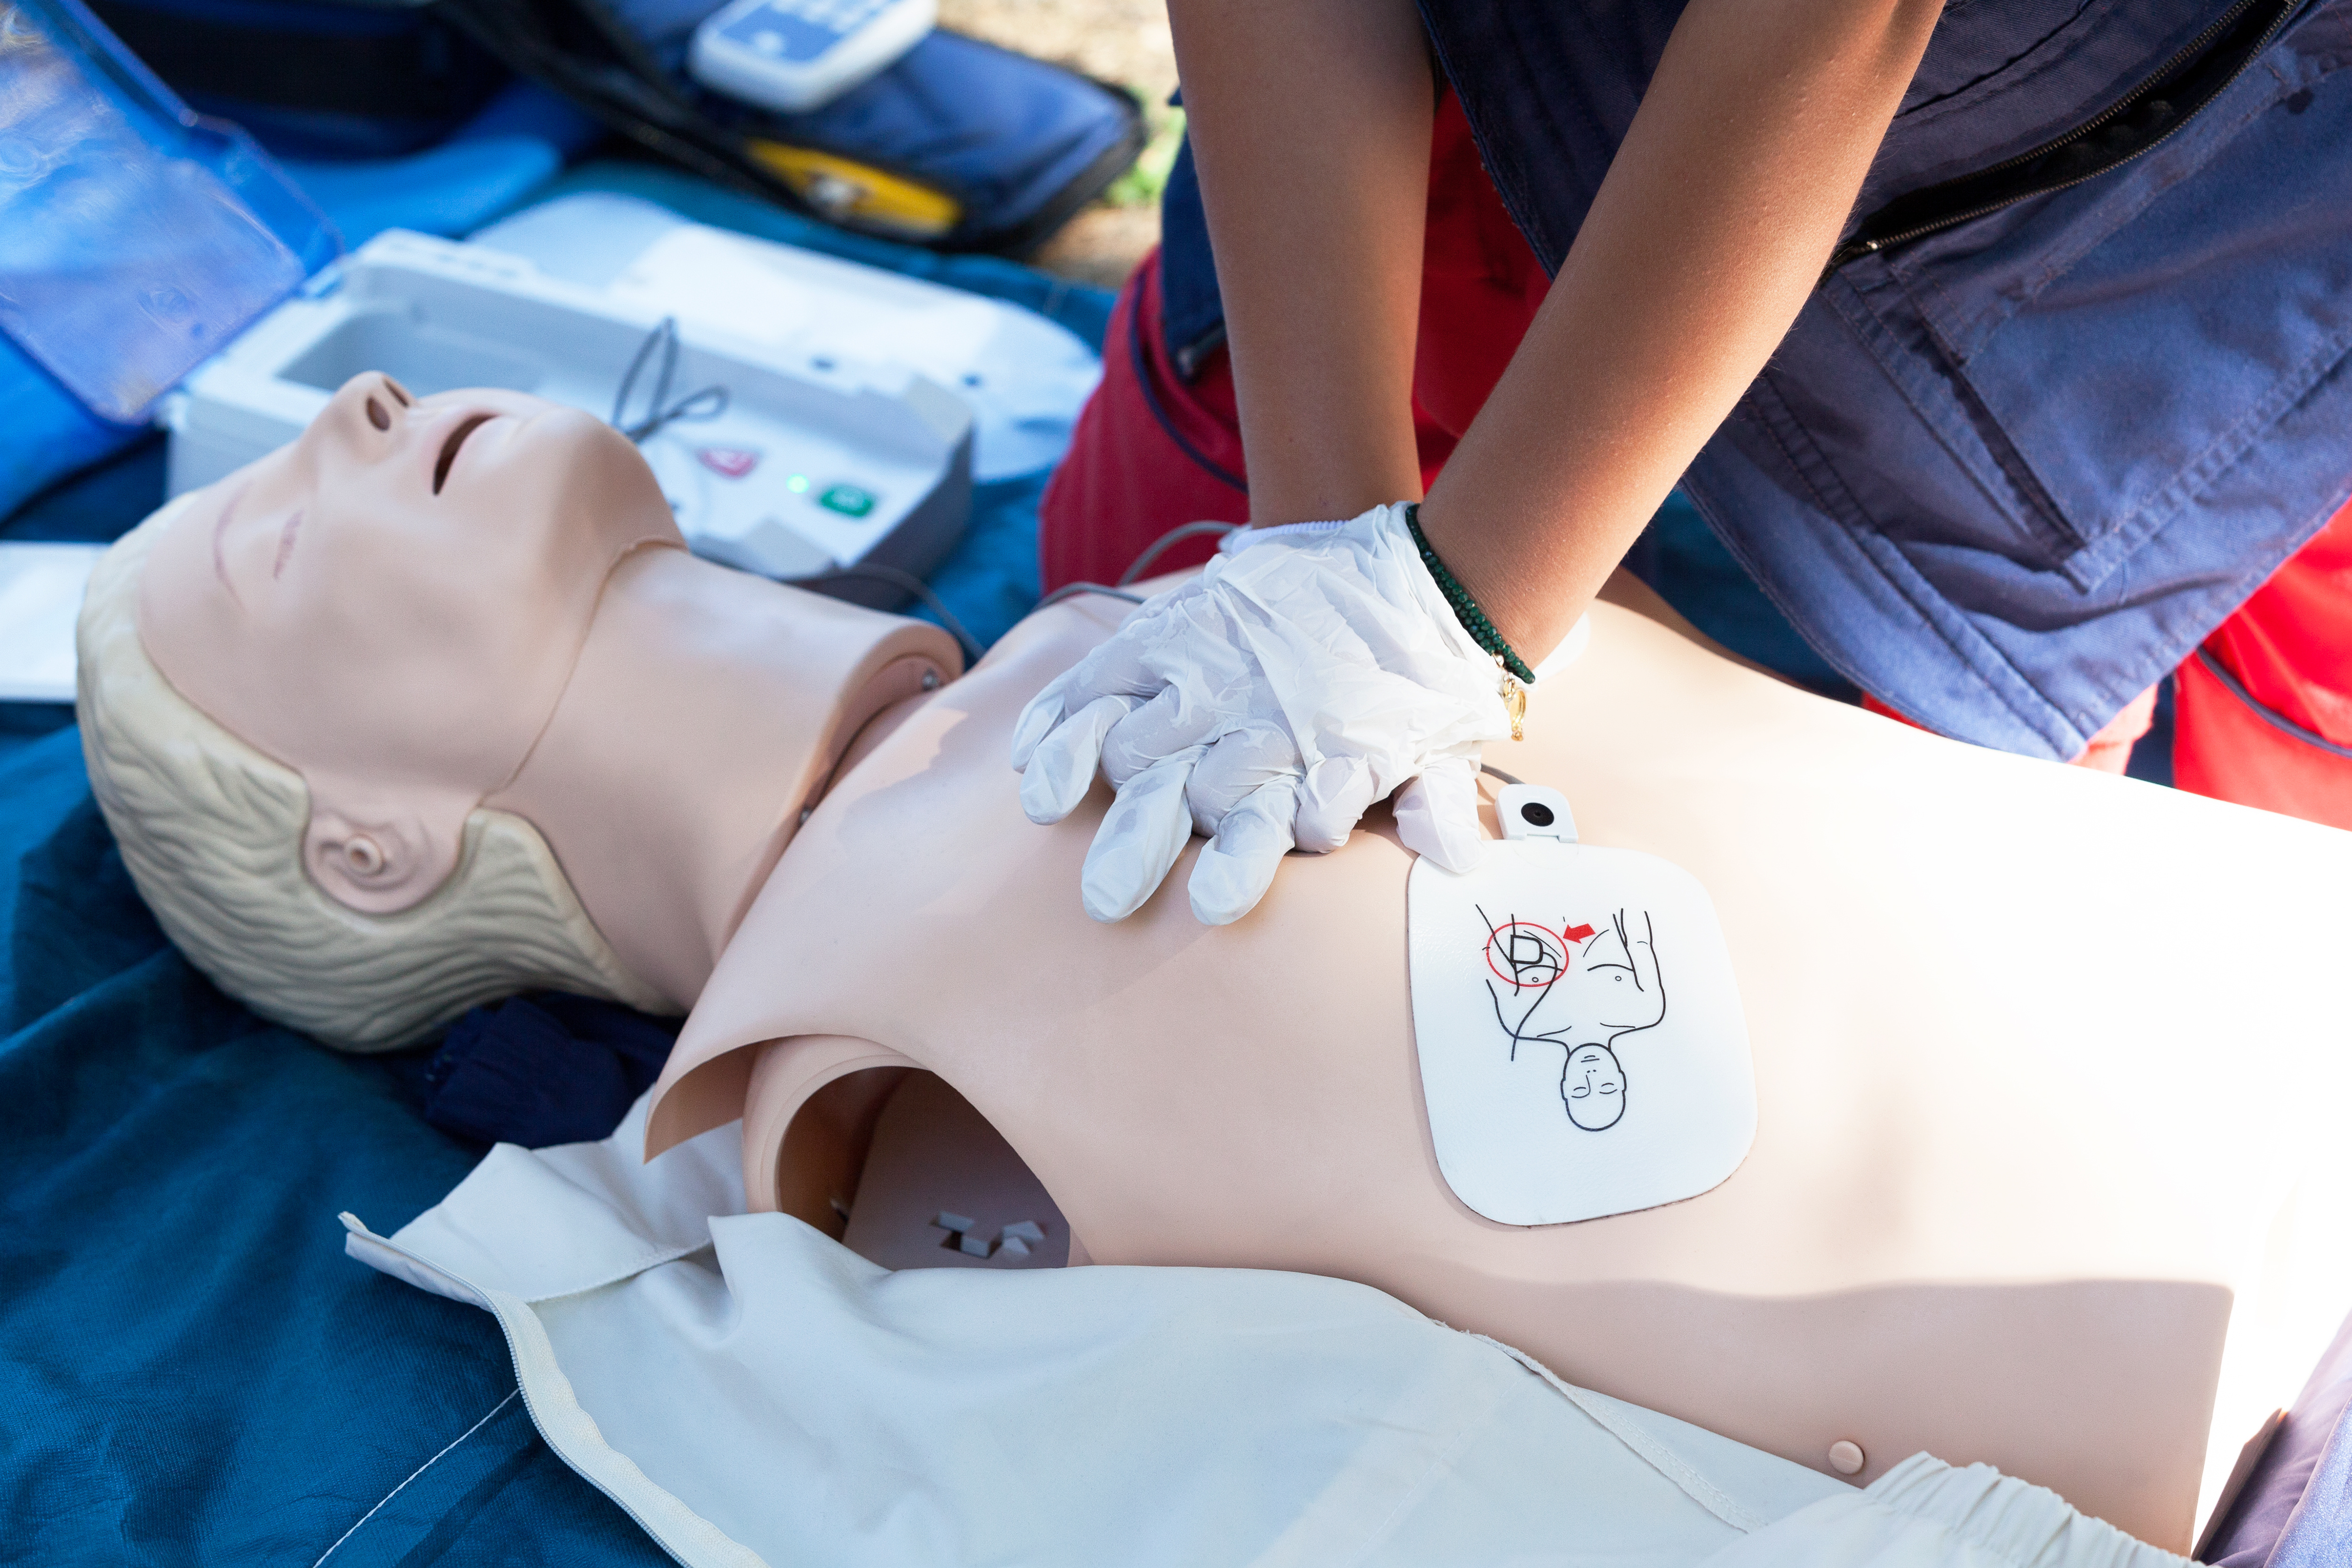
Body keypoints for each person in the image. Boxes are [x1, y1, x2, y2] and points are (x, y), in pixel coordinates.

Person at [81, 375, 2352, 1549]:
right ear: (369, 848)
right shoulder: (862, 1127)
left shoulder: (1131, 626)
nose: (358, 416)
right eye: (276, 537)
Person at [1024, 0, 2352, 924]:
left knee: (1912, 1007)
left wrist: (1446, 612)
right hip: (1434, 165)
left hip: (2126, 335)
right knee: (1108, 790)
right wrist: (1322, 548)